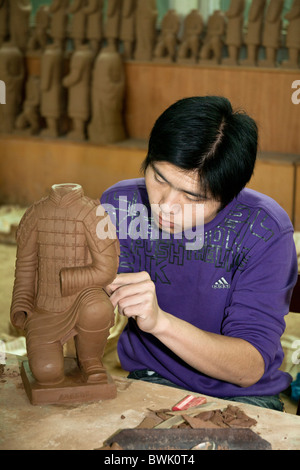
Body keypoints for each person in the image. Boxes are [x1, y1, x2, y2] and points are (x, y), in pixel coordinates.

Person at [101, 96, 298, 411]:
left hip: (241, 396)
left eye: (192, 197)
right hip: (153, 377)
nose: (166, 205)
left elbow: (248, 369)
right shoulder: (122, 205)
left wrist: (160, 322)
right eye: (159, 178)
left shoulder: (264, 230)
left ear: (228, 195)